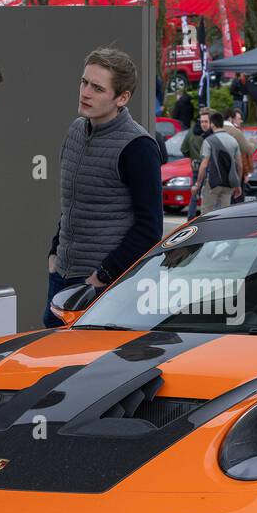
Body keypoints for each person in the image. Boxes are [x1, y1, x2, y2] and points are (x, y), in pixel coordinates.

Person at [45, 47, 163, 327]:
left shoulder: (138, 147)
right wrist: (54, 255)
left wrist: (102, 276)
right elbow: (71, 205)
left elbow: (149, 228)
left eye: (97, 88)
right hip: (61, 276)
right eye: (84, 82)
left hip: (104, 287)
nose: (85, 93)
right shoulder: (75, 130)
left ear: (122, 98)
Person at [195, 111, 244, 212]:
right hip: (228, 184)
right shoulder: (233, 141)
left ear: (212, 124)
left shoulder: (208, 141)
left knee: (206, 214)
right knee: (224, 214)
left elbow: (204, 165)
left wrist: (198, 184)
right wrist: (237, 184)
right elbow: (240, 165)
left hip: (212, 182)